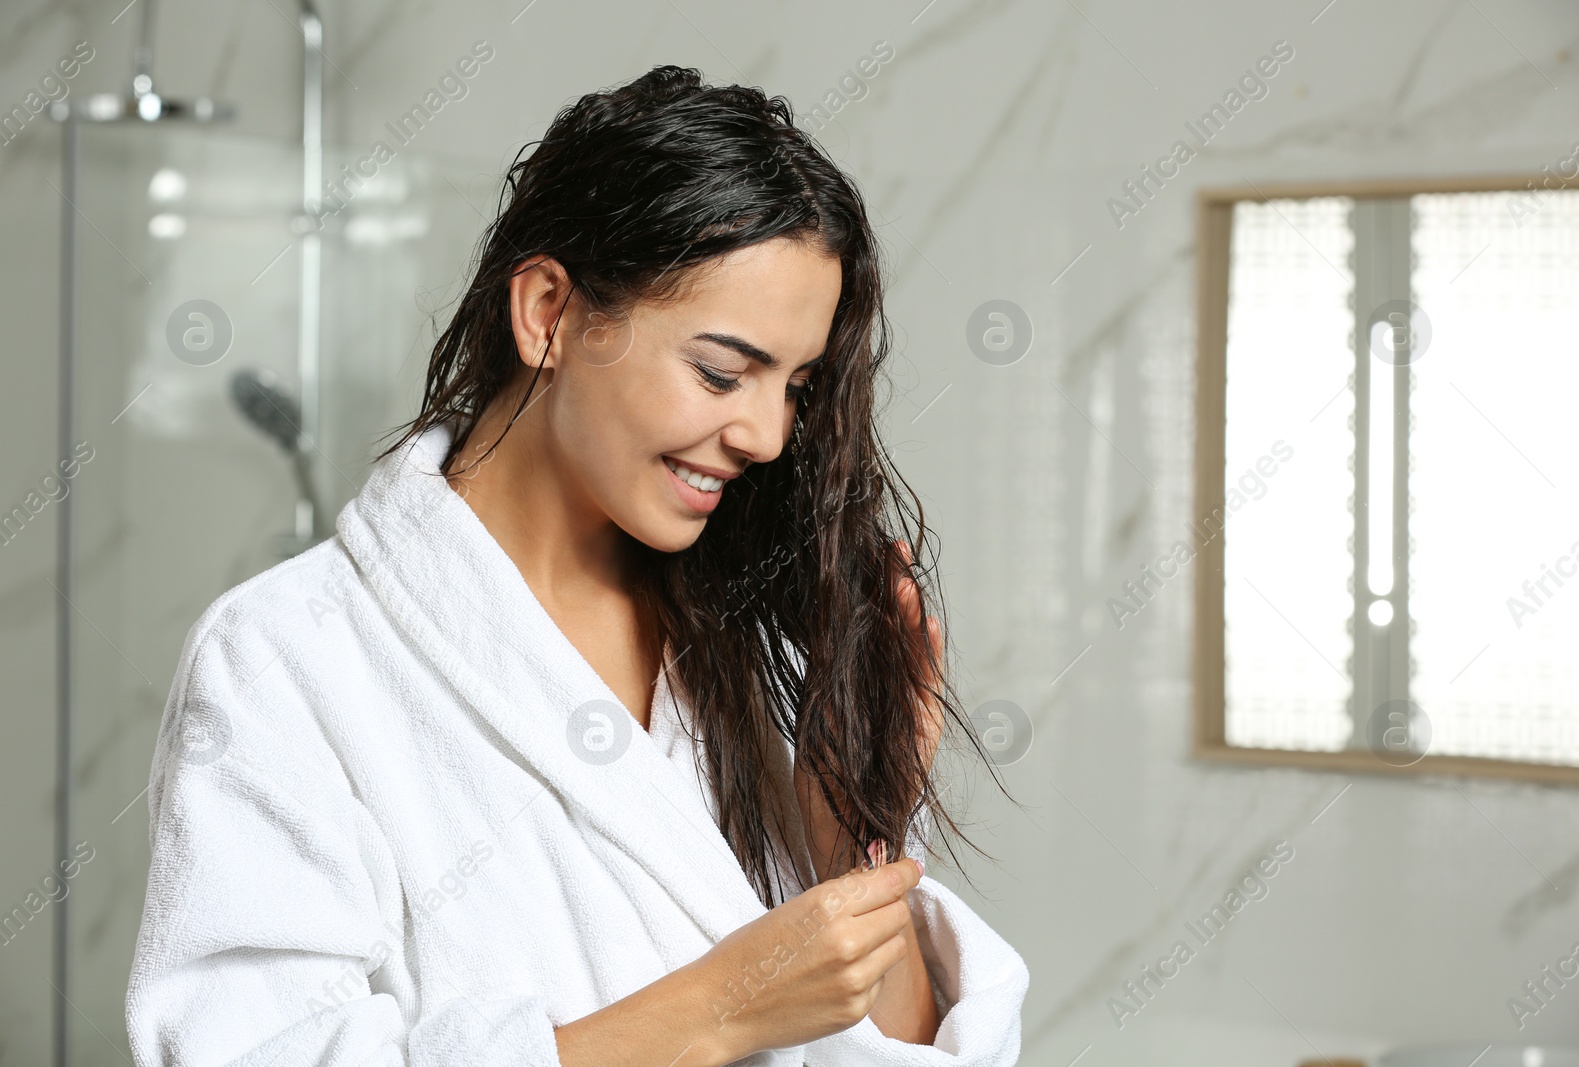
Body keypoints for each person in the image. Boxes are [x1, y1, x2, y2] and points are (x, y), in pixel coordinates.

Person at [126, 64, 1028, 1066]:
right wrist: (719, 1007)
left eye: (795, 387)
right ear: (549, 312)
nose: (768, 434)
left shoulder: (751, 650)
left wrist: (857, 841)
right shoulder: (284, 660)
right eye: (722, 372)